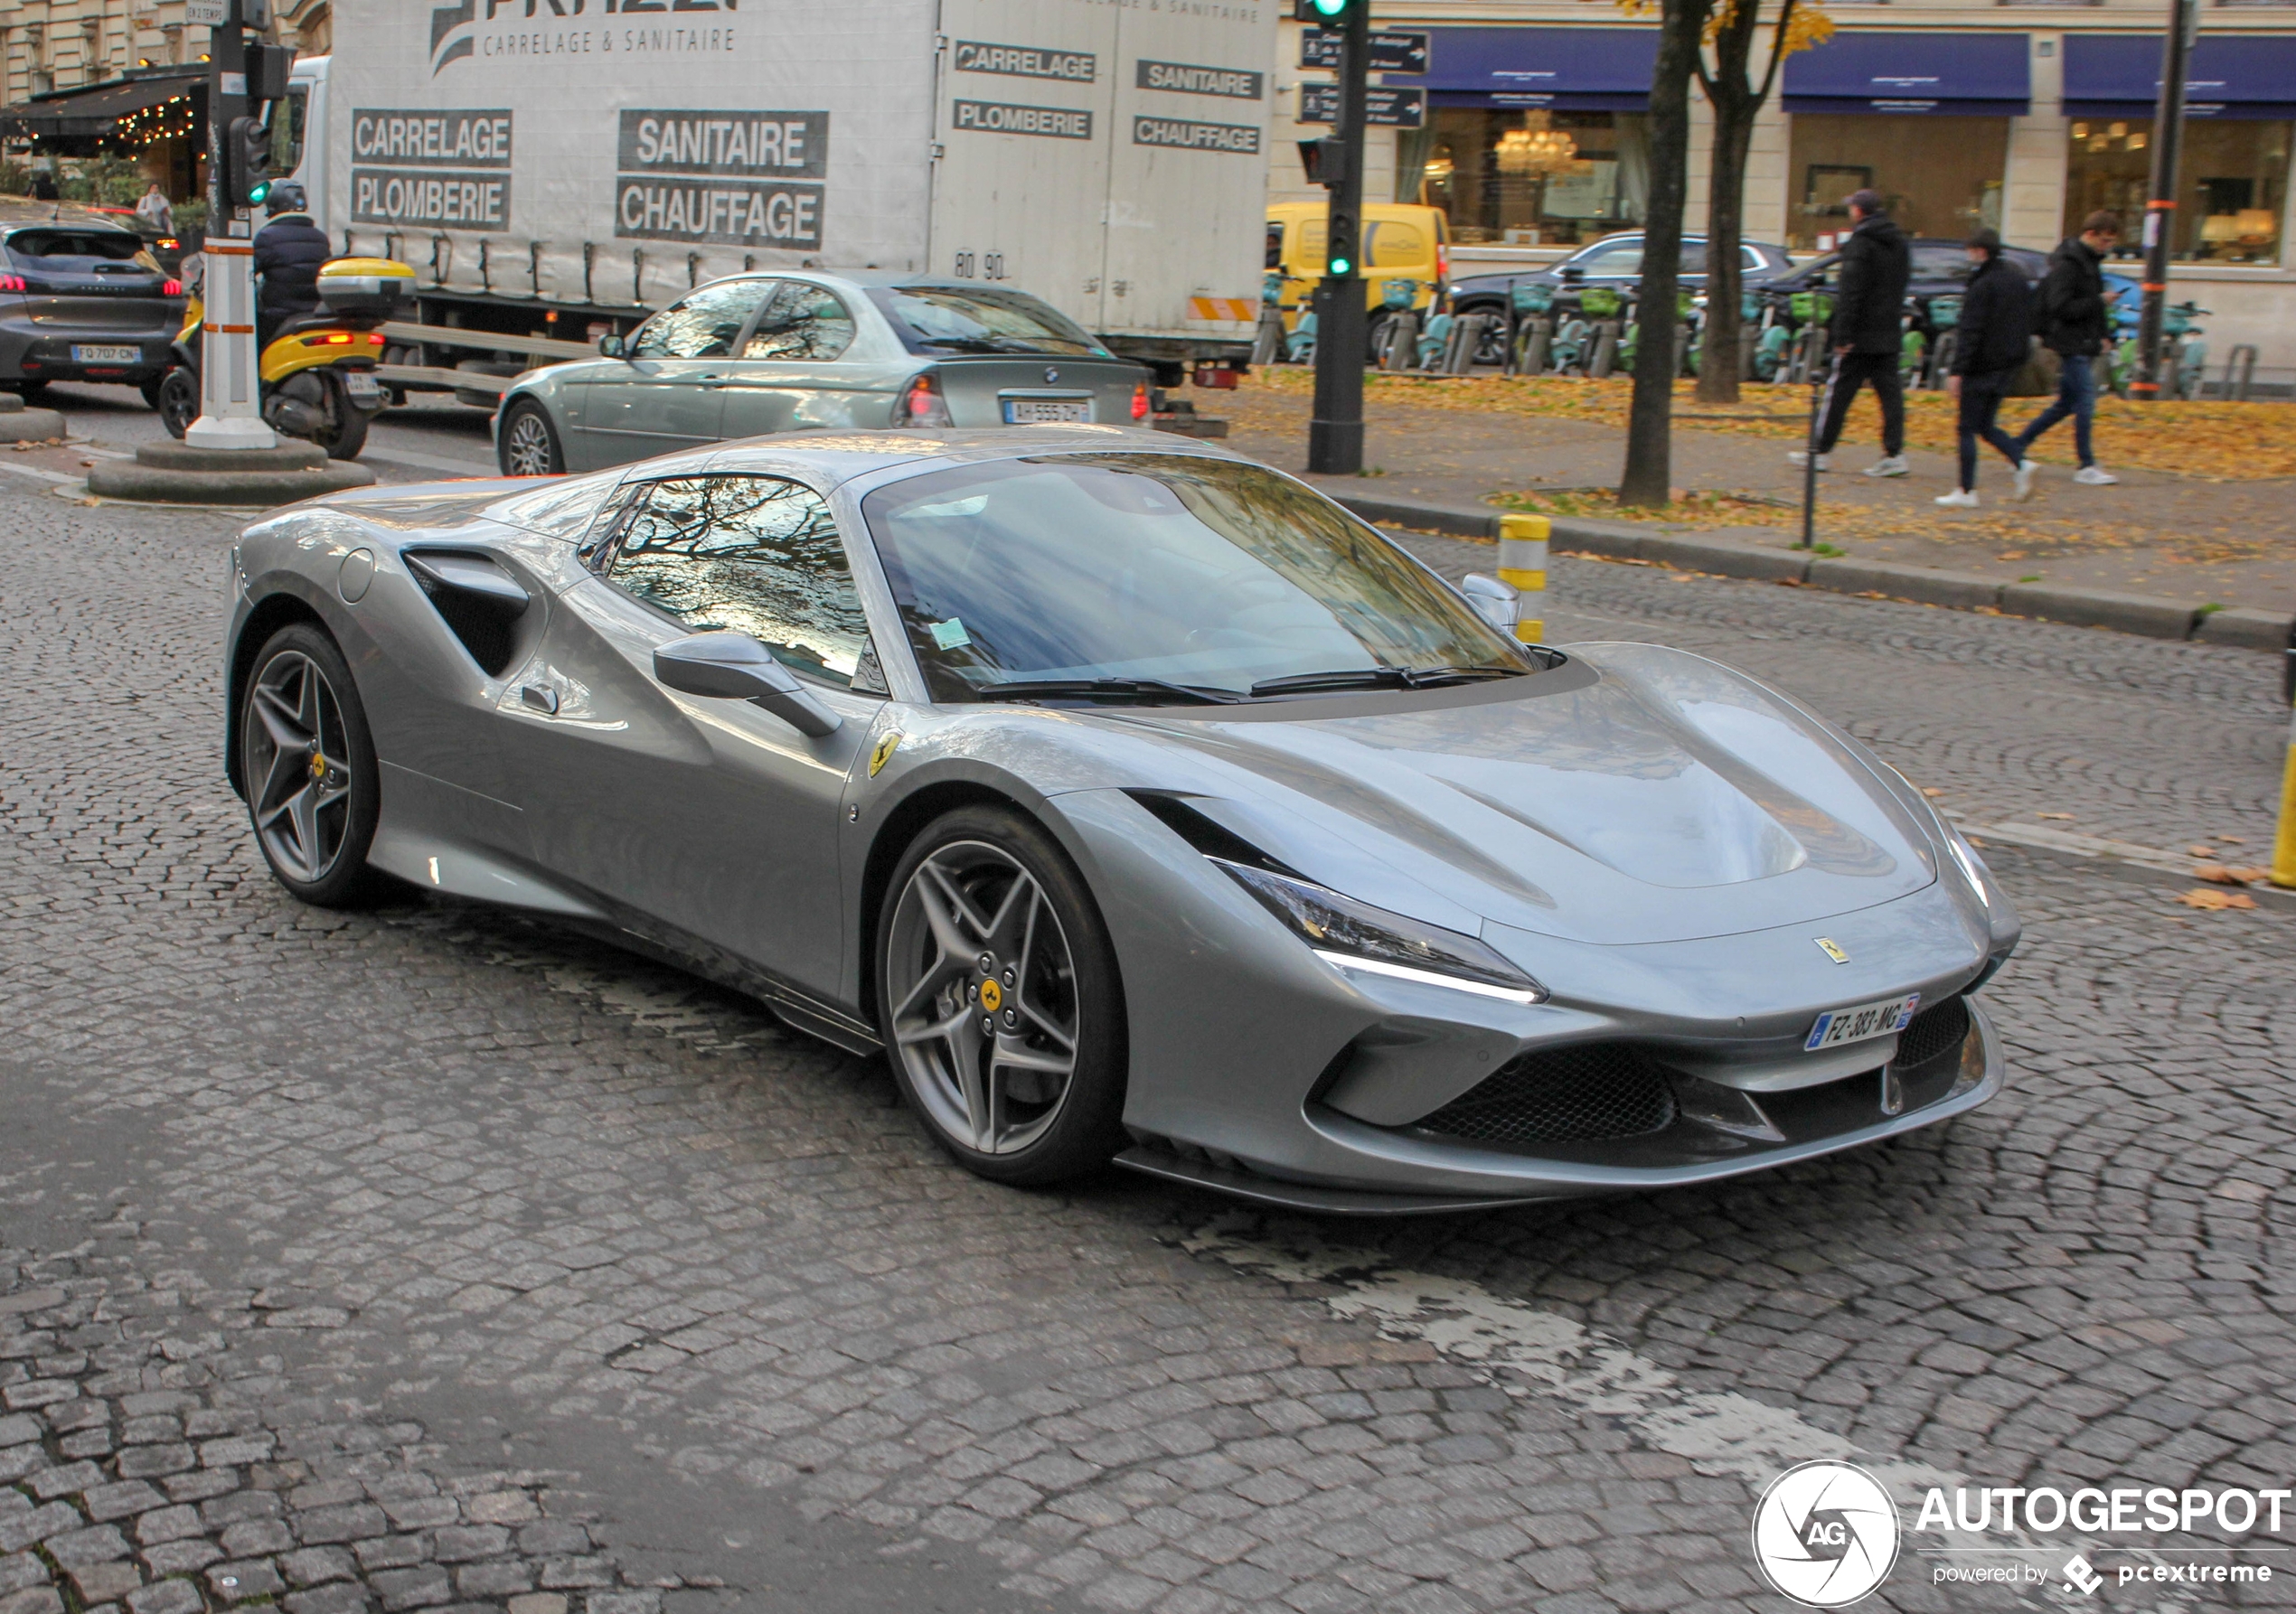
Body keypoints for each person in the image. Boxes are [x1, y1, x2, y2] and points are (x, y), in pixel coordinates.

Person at [1788, 189, 1912, 478]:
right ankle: (1895, 453)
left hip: (1860, 333)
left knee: (1839, 392)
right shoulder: (1899, 243)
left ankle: (1819, 450)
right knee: (1891, 395)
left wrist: (1842, 335)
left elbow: (1851, 292)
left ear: (1858, 211)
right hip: (1888, 330)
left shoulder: (1860, 243)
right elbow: (1901, 282)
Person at [2009, 210, 2121, 486]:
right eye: (2104, 241)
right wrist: (2099, 302)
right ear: (2090, 234)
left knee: (2067, 403)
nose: (2107, 248)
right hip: (2070, 341)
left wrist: (2103, 333)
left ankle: (2018, 444)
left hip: (2080, 339)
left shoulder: (2087, 262)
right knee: (2085, 400)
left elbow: (2087, 305)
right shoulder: (2070, 265)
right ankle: (2086, 463)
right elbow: (2060, 306)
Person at [1935, 229, 2035, 509]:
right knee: (1986, 425)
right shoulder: (2017, 281)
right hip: (2008, 363)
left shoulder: (1981, 285)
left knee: (1966, 427)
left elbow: (1971, 331)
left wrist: (1958, 370)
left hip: (1981, 365)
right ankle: (2020, 461)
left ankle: (1966, 490)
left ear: (1980, 251)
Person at [251, 183, 332, 349]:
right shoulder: (320, 238)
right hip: (314, 315)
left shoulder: (267, 237)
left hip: (277, 319)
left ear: (273, 206)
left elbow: (246, 272)